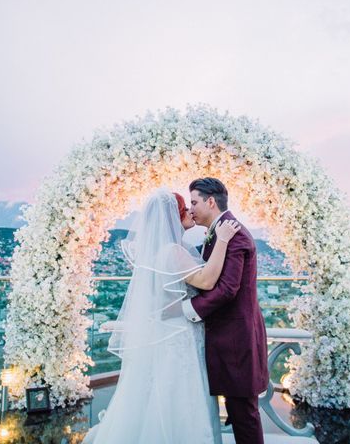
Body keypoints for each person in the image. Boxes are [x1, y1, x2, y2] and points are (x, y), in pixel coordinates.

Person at [84, 188, 240, 444]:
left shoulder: (162, 250)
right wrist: (222, 239)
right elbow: (207, 280)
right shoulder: (173, 251)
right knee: (181, 396)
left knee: (158, 394)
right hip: (180, 334)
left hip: (166, 330)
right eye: (185, 208)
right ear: (174, 216)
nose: (190, 211)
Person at [182, 177, 269, 444]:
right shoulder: (219, 233)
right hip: (225, 340)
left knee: (244, 414)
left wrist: (188, 309)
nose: (191, 208)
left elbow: (228, 289)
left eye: (194, 202)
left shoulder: (235, 234)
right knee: (236, 409)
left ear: (211, 201)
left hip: (236, 341)